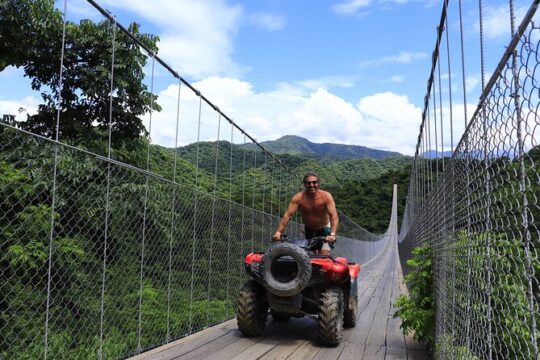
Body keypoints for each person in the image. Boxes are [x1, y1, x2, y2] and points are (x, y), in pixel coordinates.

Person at [272, 172, 339, 255]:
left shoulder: (326, 196)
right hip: (308, 229)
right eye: (308, 183)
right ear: (304, 184)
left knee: (324, 255)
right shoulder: (298, 198)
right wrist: (278, 232)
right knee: (311, 256)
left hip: (324, 228)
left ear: (318, 183)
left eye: (314, 182)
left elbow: (334, 216)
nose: (311, 185)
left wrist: (332, 234)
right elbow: (287, 215)